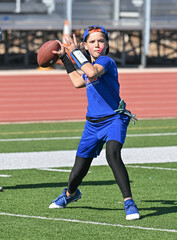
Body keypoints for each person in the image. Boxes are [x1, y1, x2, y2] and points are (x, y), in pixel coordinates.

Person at [49, 25, 140, 220]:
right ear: (86, 46)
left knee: (112, 154)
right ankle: (70, 194)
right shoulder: (88, 65)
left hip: (115, 118)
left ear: (107, 45)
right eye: (92, 42)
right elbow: (77, 81)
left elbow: (91, 72)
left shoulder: (106, 62)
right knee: (77, 173)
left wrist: (74, 52)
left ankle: (129, 202)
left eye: (101, 41)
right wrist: (64, 57)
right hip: (92, 125)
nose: (97, 44)